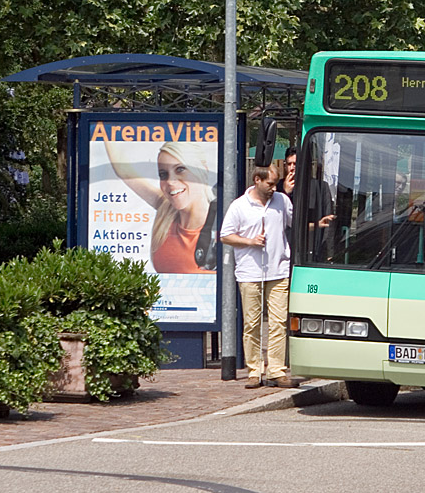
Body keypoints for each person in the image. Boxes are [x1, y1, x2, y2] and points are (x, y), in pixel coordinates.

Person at [221, 166, 299, 389]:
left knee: (278, 322)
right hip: (250, 271)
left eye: (275, 184)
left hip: (279, 269)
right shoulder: (239, 206)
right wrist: (249, 241)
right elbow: (225, 235)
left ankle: (276, 370)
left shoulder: (282, 201)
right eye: (270, 184)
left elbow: (294, 223)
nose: (274, 188)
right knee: (252, 323)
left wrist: (316, 225)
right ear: (257, 180)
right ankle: (254, 370)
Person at [104, 140, 216, 274]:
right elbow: (123, 171)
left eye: (180, 169)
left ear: (203, 169)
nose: (170, 182)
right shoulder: (166, 209)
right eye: (163, 174)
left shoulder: (221, 224)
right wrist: (103, 131)